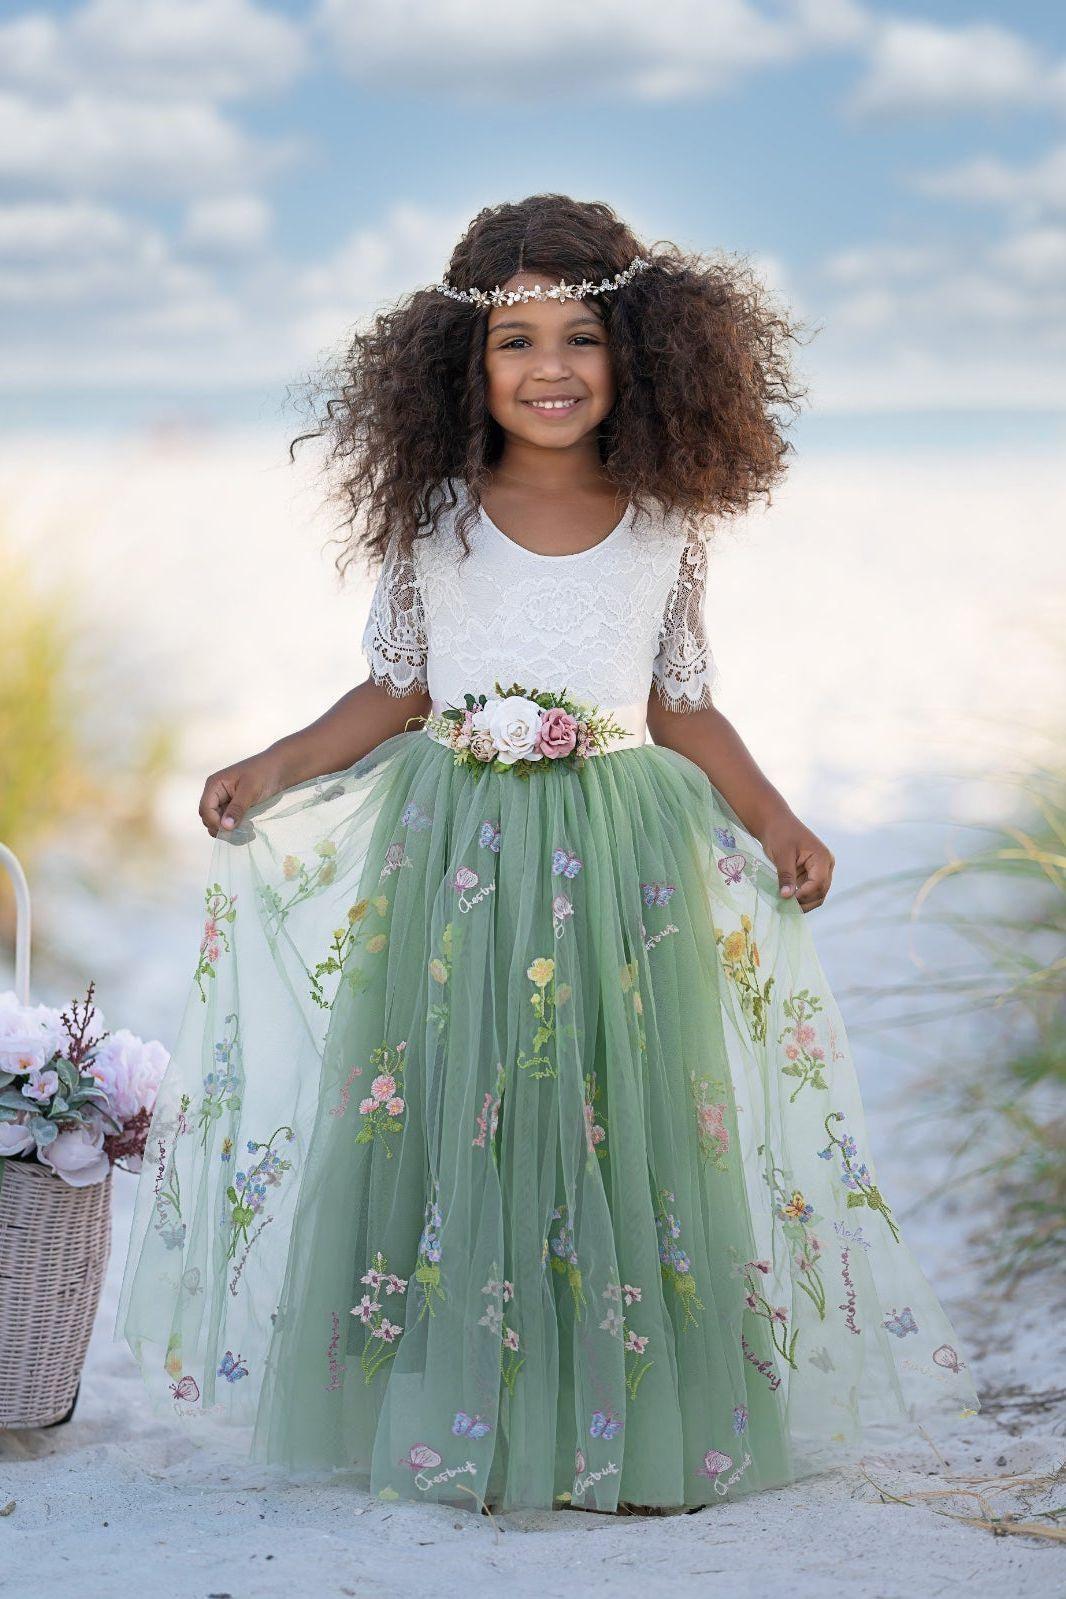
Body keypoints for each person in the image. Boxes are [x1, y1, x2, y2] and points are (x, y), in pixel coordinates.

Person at [118, 194, 979, 1515]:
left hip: (623, 850)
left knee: (618, 1112)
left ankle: (626, 1410)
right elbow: (394, 689)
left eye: (580, 337)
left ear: (638, 351)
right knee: (459, 1107)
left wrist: (772, 817)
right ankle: (459, 1402)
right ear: (463, 367)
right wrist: (279, 762)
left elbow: (680, 700)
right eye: (514, 343)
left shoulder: (662, 520)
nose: (550, 369)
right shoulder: (438, 515)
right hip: (454, 848)